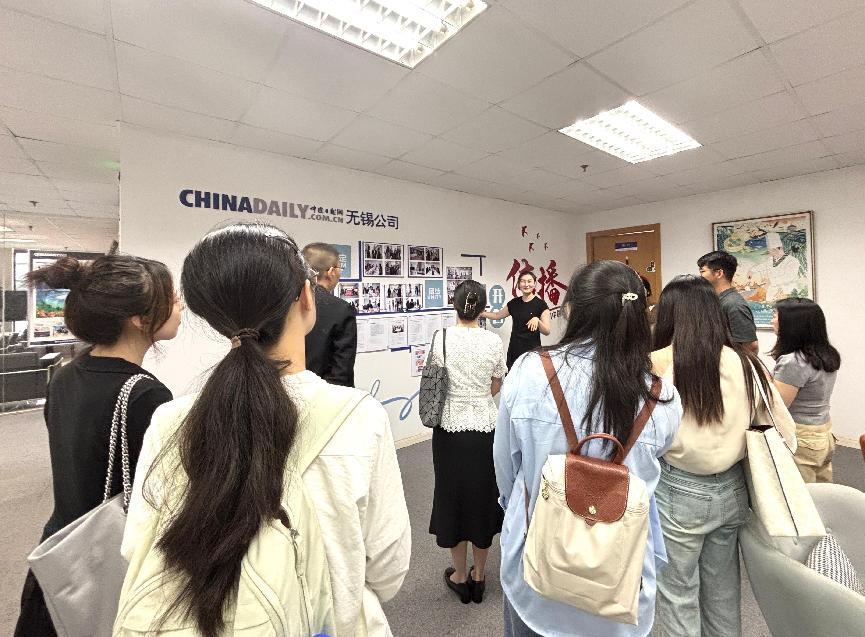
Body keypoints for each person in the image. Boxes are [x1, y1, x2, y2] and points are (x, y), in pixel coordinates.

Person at [116, 223, 410, 636]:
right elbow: (387, 570)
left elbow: (137, 547)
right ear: (306, 297)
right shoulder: (360, 418)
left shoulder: (170, 421)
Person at [494, 260, 682, 637]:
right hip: (620, 580)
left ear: (572, 310)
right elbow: (656, 463)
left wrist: (520, 505)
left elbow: (506, 469)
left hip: (536, 570)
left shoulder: (529, 372)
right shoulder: (661, 396)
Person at [14, 245, 182, 637]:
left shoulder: (64, 377)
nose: (180, 305)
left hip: (62, 553)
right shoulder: (145, 394)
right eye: (172, 297)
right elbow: (161, 496)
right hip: (108, 561)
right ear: (140, 319)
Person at [650, 275, 796, 637]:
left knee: (678, 593)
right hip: (733, 489)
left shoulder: (656, 363)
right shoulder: (747, 364)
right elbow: (787, 434)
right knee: (723, 592)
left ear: (668, 314)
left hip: (678, 489)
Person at [427, 280, 507, 605]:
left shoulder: (441, 338)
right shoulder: (493, 341)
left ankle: (459, 575)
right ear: (483, 308)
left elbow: (435, 382)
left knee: (453, 499)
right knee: (483, 500)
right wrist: (478, 397)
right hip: (486, 429)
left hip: (449, 430)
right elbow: (497, 383)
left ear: (455, 305)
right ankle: (480, 575)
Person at [771, 298, 840, 483]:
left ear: (791, 324)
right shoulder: (825, 354)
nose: (772, 320)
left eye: (776, 316)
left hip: (801, 436)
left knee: (800, 493)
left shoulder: (793, 361)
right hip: (822, 432)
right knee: (822, 490)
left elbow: (778, 406)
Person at [302, 242, 357, 387]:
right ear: (331, 272)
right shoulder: (341, 310)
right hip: (324, 394)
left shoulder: (285, 303)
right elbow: (341, 372)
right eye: (340, 268)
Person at [481, 271, 550, 368]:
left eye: (529, 281)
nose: (526, 284)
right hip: (514, 349)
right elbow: (497, 315)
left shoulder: (541, 304)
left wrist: (537, 321)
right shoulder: (514, 303)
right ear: (518, 284)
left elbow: (547, 331)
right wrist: (481, 313)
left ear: (534, 283)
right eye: (523, 281)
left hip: (532, 351)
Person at [698, 250, 758, 352]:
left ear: (719, 273)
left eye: (702, 271)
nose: (700, 276)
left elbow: (751, 346)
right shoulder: (718, 300)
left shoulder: (734, 304)